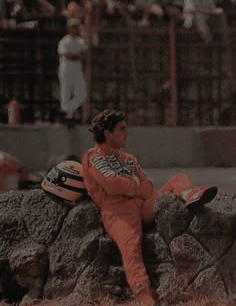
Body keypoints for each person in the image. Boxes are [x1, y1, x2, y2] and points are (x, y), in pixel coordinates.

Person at [82, 109, 218, 306]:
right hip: (117, 213)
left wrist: (128, 188)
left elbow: (148, 187)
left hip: (142, 206)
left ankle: (191, 195)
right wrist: (133, 187)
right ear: (107, 133)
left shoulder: (129, 158)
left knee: (177, 179)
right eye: (122, 129)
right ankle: (146, 299)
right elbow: (111, 185)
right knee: (131, 250)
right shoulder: (93, 157)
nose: (126, 133)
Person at [57, 18, 87, 128]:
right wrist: (77, 56)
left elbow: (84, 55)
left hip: (76, 69)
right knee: (66, 92)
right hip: (66, 68)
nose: (75, 29)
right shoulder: (64, 41)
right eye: (73, 27)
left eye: (76, 26)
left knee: (81, 94)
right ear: (69, 28)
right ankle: (69, 116)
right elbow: (67, 56)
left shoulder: (80, 41)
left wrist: (76, 56)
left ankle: (66, 110)